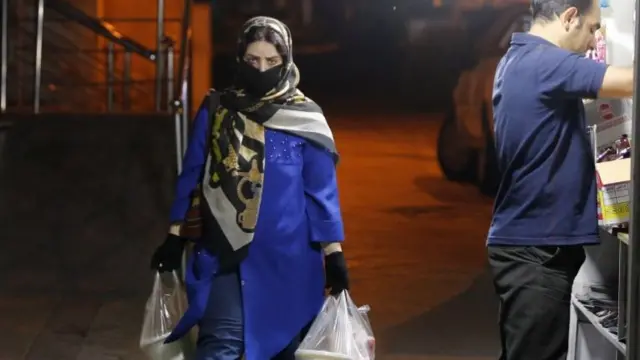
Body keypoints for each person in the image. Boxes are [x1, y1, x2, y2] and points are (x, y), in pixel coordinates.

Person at [150, 16, 350, 360]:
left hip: (289, 260)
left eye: (272, 62)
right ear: (240, 60)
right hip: (225, 253)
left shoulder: (307, 119)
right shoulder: (217, 110)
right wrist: (175, 235)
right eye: (253, 60)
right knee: (220, 345)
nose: (262, 69)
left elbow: (321, 193)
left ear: (286, 61)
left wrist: (334, 254)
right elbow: (194, 176)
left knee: (283, 348)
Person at [487, 0, 634, 358]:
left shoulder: (520, 59)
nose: (594, 40)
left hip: (529, 245)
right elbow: (630, 81)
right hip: (535, 251)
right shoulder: (544, 62)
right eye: (592, 28)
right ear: (569, 17)